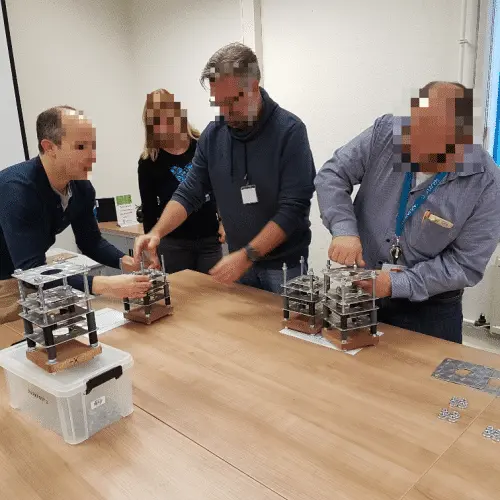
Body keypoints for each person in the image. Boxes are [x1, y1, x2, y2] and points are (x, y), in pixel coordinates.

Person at [315, 81, 500, 344]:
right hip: (363, 292)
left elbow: (465, 264)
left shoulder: (486, 183)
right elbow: (332, 175)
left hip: (430, 309)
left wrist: (395, 283)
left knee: (425, 371)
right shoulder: (386, 134)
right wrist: (343, 228)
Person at [134, 42, 315, 293]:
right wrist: (156, 232)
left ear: (253, 87)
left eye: (230, 102)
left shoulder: (290, 132)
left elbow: (293, 209)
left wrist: (247, 255)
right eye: (217, 102)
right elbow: (190, 192)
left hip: (284, 267)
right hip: (239, 262)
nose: (224, 112)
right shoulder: (213, 136)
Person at [0, 106, 151, 324]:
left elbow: (90, 241)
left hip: (28, 274)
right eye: (81, 146)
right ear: (49, 147)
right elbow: (32, 269)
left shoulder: (81, 188)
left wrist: (126, 262)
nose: (92, 156)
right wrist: (105, 285)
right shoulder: (17, 190)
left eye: (92, 146)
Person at [138, 89, 223, 274]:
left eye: (168, 119)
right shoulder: (149, 161)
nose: (164, 128)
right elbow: (149, 210)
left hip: (209, 238)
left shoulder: (202, 145)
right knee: (180, 290)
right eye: (157, 123)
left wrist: (223, 221)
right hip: (173, 243)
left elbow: (220, 187)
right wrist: (152, 248)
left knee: (213, 289)